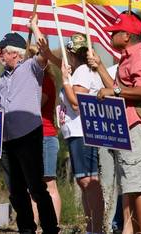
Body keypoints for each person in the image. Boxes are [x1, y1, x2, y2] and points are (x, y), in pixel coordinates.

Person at [0, 17, 59, 234]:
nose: (0, 54)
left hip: (29, 134)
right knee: (16, 190)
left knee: (37, 187)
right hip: (8, 139)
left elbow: (44, 51)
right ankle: (26, 228)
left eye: (3, 50)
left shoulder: (31, 67)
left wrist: (34, 27)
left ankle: (50, 228)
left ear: (15, 53)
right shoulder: (3, 78)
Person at [88, 13, 141, 234]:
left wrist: (115, 89)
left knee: (138, 188)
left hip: (136, 128)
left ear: (126, 35)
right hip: (126, 130)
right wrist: (100, 67)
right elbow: (117, 91)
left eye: (114, 32)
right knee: (131, 187)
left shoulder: (140, 58)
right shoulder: (127, 59)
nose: (110, 35)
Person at [49, 33, 105, 233]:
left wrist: (65, 82)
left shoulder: (81, 71)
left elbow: (77, 104)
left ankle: (96, 228)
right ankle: (91, 226)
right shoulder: (81, 70)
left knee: (89, 181)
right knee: (84, 182)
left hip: (82, 132)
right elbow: (61, 65)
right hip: (75, 132)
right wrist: (47, 53)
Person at [28, 45, 62, 224]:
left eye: (36, 55)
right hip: (31, 138)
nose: (33, 59)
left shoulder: (46, 81)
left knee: (49, 184)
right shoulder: (31, 81)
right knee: (32, 186)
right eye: (30, 56)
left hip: (46, 136)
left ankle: (54, 224)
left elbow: (35, 105)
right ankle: (35, 224)